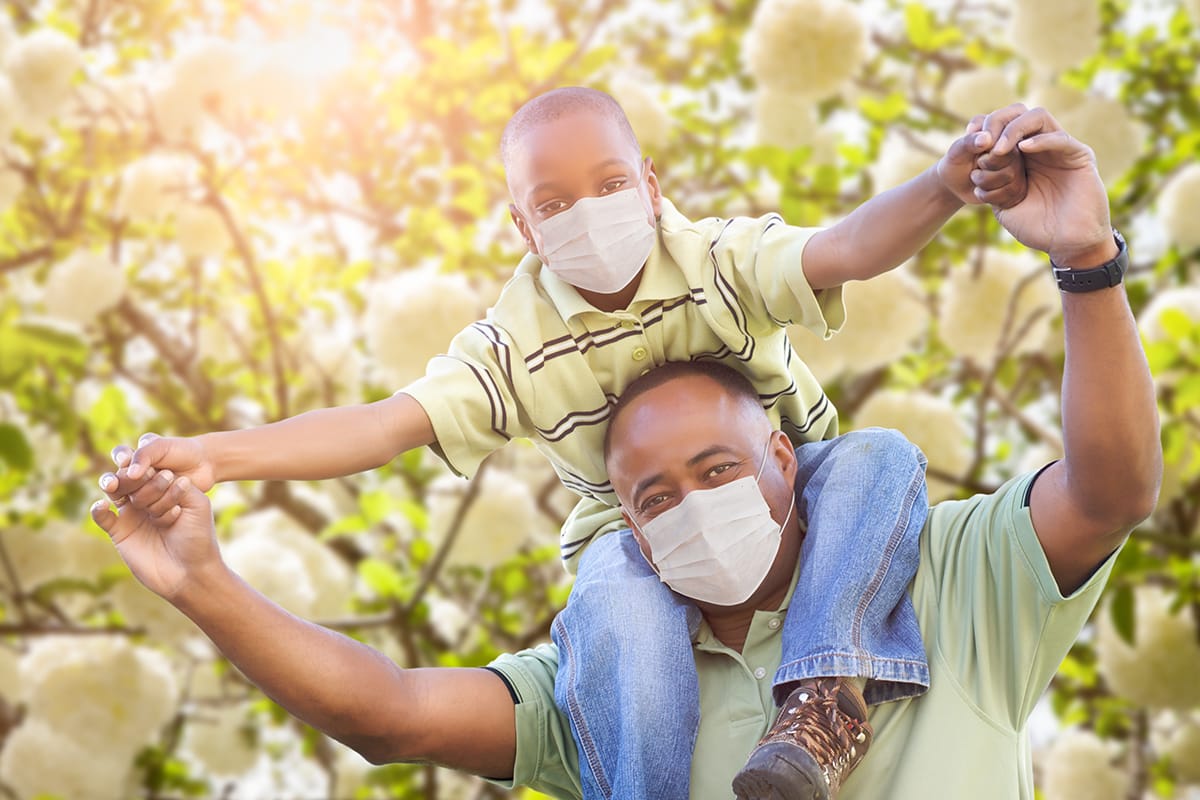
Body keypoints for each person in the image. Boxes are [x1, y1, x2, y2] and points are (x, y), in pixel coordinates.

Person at [94, 105, 1161, 800]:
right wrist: (210, 516)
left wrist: (1019, 224)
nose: (693, 504)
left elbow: (1108, 485)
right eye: (657, 491)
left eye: (717, 471)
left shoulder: (946, 576)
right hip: (614, 581)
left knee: (881, 454)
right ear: (520, 226)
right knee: (607, 596)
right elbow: (389, 697)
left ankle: (827, 692)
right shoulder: (610, 658)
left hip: (845, 494)